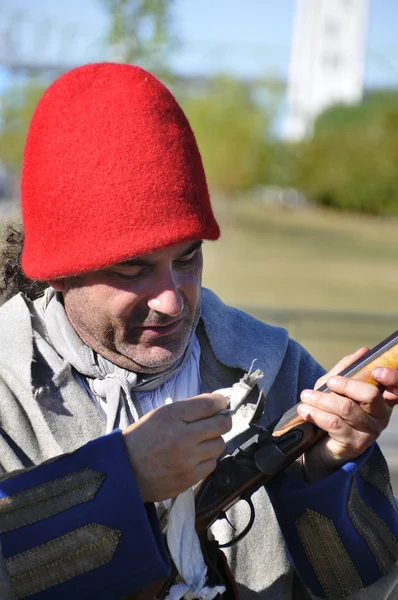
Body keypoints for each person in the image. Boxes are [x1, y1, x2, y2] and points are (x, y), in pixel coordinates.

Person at [0, 62, 397, 600]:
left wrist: (325, 469)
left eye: (187, 258)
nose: (171, 299)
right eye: (131, 269)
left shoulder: (277, 366)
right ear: (60, 272)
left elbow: (369, 587)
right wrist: (119, 481)